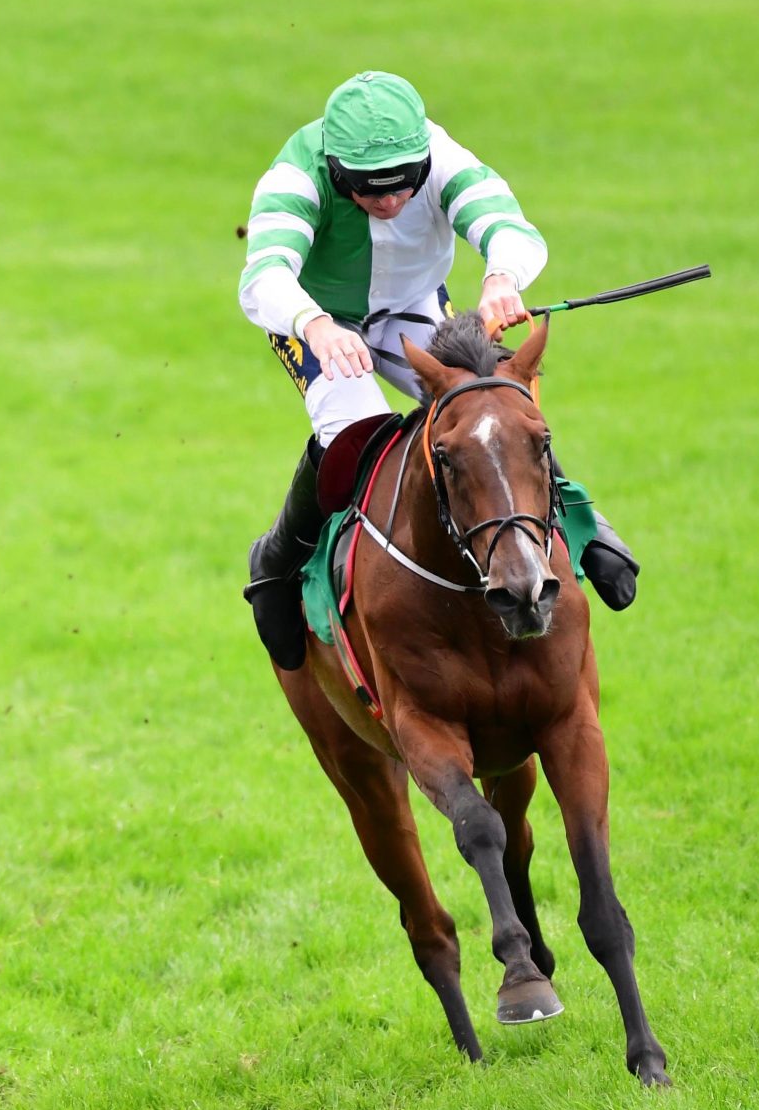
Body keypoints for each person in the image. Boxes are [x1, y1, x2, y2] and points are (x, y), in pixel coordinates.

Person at [239, 72, 641, 670]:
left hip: (417, 305)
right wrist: (315, 325)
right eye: (370, 191)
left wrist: (502, 277)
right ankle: (275, 564)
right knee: (356, 433)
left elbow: (506, 223)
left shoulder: (441, 153)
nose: (391, 203)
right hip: (315, 320)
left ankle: (584, 524)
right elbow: (263, 274)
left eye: (404, 187)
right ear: (336, 168)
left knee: (492, 403)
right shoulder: (297, 175)